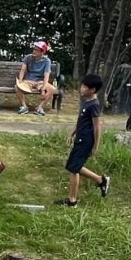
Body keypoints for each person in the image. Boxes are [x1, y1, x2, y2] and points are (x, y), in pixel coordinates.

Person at [60, 72, 110, 206]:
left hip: (86, 141)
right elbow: (81, 121)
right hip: (80, 139)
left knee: (73, 169)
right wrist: (73, 133)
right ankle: (100, 180)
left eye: (84, 87)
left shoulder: (94, 105)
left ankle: (72, 200)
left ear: (92, 90)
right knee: (73, 166)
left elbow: (97, 126)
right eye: (81, 86)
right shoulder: (86, 102)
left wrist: (95, 146)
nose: (81, 88)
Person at [16, 42, 57, 114]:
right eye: (34, 49)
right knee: (17, 87)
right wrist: (20, 81)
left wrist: (43, 89)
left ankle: (39, 108)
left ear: (42, 52)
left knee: (52, 89)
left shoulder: (47, 61)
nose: (34, 51)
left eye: (36, 50)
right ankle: (24, 107)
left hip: (40, 82)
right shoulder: (28, 57)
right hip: (28, 81)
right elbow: (23, 70)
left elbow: (46, 75)